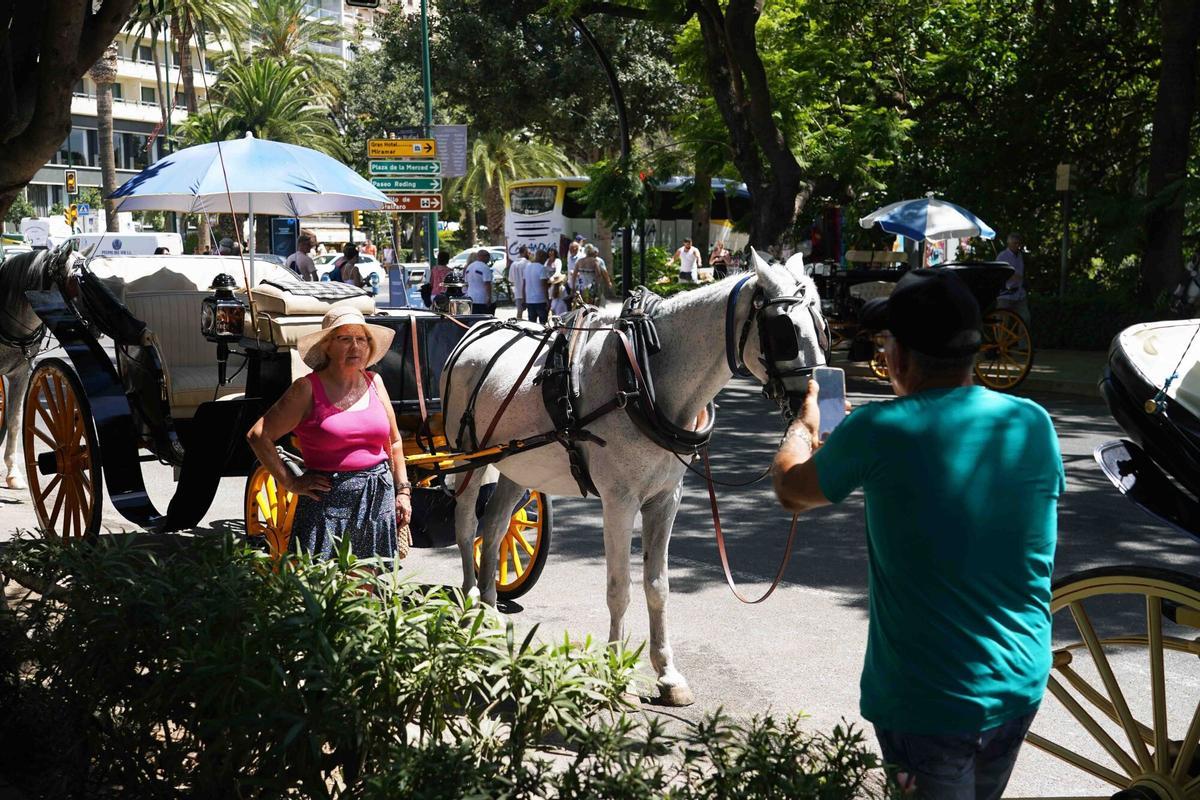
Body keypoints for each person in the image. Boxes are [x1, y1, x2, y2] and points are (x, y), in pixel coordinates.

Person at [770, 269, 1063, 800]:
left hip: (930, 702)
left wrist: (805, 426)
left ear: (899, 357)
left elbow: (791, 489)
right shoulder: (1033, 421)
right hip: (1019, 683)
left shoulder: (880, 429)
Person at [245, 305, 412, 561]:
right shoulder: (306, 389)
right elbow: (258, 435)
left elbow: (395, 442)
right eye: (345, 339)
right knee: (325, 589)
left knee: (370, 587)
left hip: (378, 500)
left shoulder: (374, 382)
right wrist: (291, 482)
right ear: (327, 346)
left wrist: (403, 492)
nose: (355, 346)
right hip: (327, 504)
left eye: (361, 339)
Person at [995, 232, 1029, 325]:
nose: (1017, 246)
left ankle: (1023, 339)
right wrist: (1010, 275)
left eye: (1018, 243)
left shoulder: (1020, 256)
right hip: (1005, 294)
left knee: (1025, 319)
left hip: (1019, 294)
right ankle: (1000, 339)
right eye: (1015, 243)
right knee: (1002, 323)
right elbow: (997, 274)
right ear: (1009, 244)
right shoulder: (1002, 256)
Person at [523, 251, 552, 323]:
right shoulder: (542, 268)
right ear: (542, 257)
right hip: (540, 300)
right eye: (545, 258)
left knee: (532, 325)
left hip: (529, 300)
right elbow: (544, 286)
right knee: (543, 325)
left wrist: (524, 299)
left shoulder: (527, 267)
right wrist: (547, 300)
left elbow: (524, 285)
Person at [464, 248, 493, 314]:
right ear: (484, 257)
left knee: (473, 318)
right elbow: (487, 283)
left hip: (470, 297)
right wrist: (489, 297)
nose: (489, 259)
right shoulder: (485, 267)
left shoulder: (469, 267)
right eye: (488, 257)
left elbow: (466, 282)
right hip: (482, 298)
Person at [509, 246, 530, 320]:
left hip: (518, 292)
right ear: (524, 252)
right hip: (528, 292)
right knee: (531, 312)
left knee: (519, 312)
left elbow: (511, 279)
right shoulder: (527, 263)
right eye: (528, 252)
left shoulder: (513, 264)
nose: (529, 254)